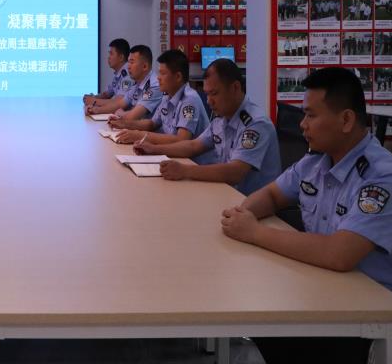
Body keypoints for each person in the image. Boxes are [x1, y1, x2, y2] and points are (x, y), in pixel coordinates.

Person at [222, 67, 391, 364]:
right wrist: (242, 213)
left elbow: (339, 254)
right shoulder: (316, 161)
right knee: (249, 302)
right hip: (319, 289)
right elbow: (272, 194)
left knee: (260, 315)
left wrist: (254, 232)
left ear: (346, 120)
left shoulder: (380, 177)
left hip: (363, 317)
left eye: (311, 115)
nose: (302, 124)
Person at [135, 59, 279, 194]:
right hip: (225, 192)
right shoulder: (222, 117)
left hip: (251, 203)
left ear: (235, 87)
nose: (209, 101)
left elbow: (235, 172)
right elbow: (193, 146)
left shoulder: (256, 124)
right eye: (207, 94)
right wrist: (154, 149)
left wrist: (185, 171)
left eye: (214, 94)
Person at [109, 50, 211, 155]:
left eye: (163, 73)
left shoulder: (189, 100)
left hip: (193, 161)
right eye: (158, 73)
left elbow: (181, 139)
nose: (158, 77)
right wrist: (125, 124)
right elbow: (152, 123)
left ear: (178, 77)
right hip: (173, 154)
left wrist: (140, 136)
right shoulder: (167, 95)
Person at [98, 45, 161, 124]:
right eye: (128, 62)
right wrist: (96, 110)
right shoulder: (137, 83)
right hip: (133, 128)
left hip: (146, 130)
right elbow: (120, 104)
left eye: (132, 62)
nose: (128, 67)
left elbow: (132, 117)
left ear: (145, 66)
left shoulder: (154, 86)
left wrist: (121, 113)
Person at [84, 39, 132, 113]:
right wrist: (93, 97)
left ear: (121, 57)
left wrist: (94, 101)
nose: (108, 57)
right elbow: (107, 94)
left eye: (111, 54)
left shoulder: (128, 75)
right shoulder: (118, 73)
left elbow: (118, 101)